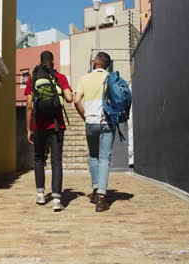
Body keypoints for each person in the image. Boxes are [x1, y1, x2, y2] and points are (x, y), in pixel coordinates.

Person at [25, 51, 73, 211]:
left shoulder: (33, 78)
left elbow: (29, 105)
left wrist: (28, 128)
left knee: (39, 159)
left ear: (40, 61)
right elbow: (69, 98)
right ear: (52, 62)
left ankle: (40, 195)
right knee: (56, 161)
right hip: (57, 125)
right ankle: (56, 200)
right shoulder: (61, 77)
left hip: (39, 126)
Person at [74, 52, 115, 212]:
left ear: (96, 63)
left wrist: (85, 115)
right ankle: (102, 198)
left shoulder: (85, 79)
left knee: (93, 156)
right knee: (105, 158)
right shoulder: (111, 78)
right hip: (107, 122)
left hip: (90, 122)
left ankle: (95, 188)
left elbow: (76, 100)